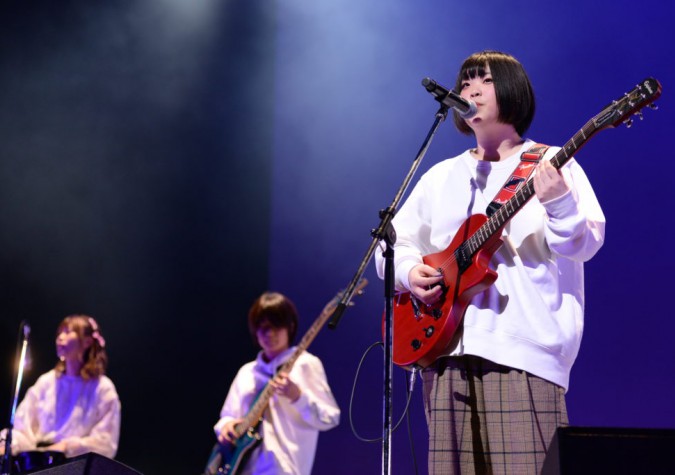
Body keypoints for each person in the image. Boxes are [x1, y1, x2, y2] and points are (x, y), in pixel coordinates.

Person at [375, 50, 605, 473]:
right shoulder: (441, 176)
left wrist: (558, 202)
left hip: (523, 355)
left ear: (513, 90)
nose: (470, 89)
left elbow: (583, 244)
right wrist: (410, 272)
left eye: (484, 80)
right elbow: (392, 245)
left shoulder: (553, 163)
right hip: (444, 353)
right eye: (465, 82)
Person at [212, 292, 340, 475]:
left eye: (276, 326)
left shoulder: (305, 365)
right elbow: (227, 417)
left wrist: (298, 396)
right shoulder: (247, 372)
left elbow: (330, 418)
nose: (269, 334)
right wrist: (226, 427)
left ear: (290, 326)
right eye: (262, 327)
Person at [0, 315, 121, 460]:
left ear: (87, 341)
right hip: (39, 463)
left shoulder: (103, 388)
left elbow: (105, 442)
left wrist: (66, 447)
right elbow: (22, 427)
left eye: (68, 332)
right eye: (59, 333)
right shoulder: (46, 382)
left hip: (75, 464)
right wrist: (7, 445)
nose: (60, 337)